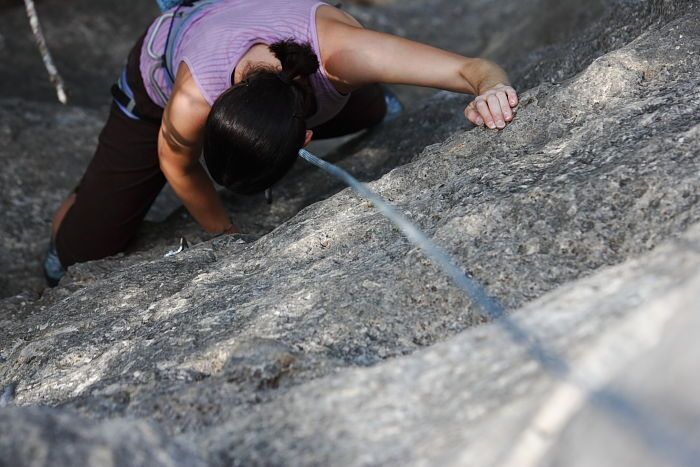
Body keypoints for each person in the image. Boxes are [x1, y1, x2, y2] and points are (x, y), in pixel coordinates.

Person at [44, 0, 518, 286]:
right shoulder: (191, 99)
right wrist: (223, 235)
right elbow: (180, 165)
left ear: (306, 138)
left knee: (370, 107)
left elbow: (472, 69)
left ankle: (366, 99)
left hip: (270, 39)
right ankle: (83, 204)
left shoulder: (345, 54)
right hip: (161, 70)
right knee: (79, 251)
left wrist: (491, 92)